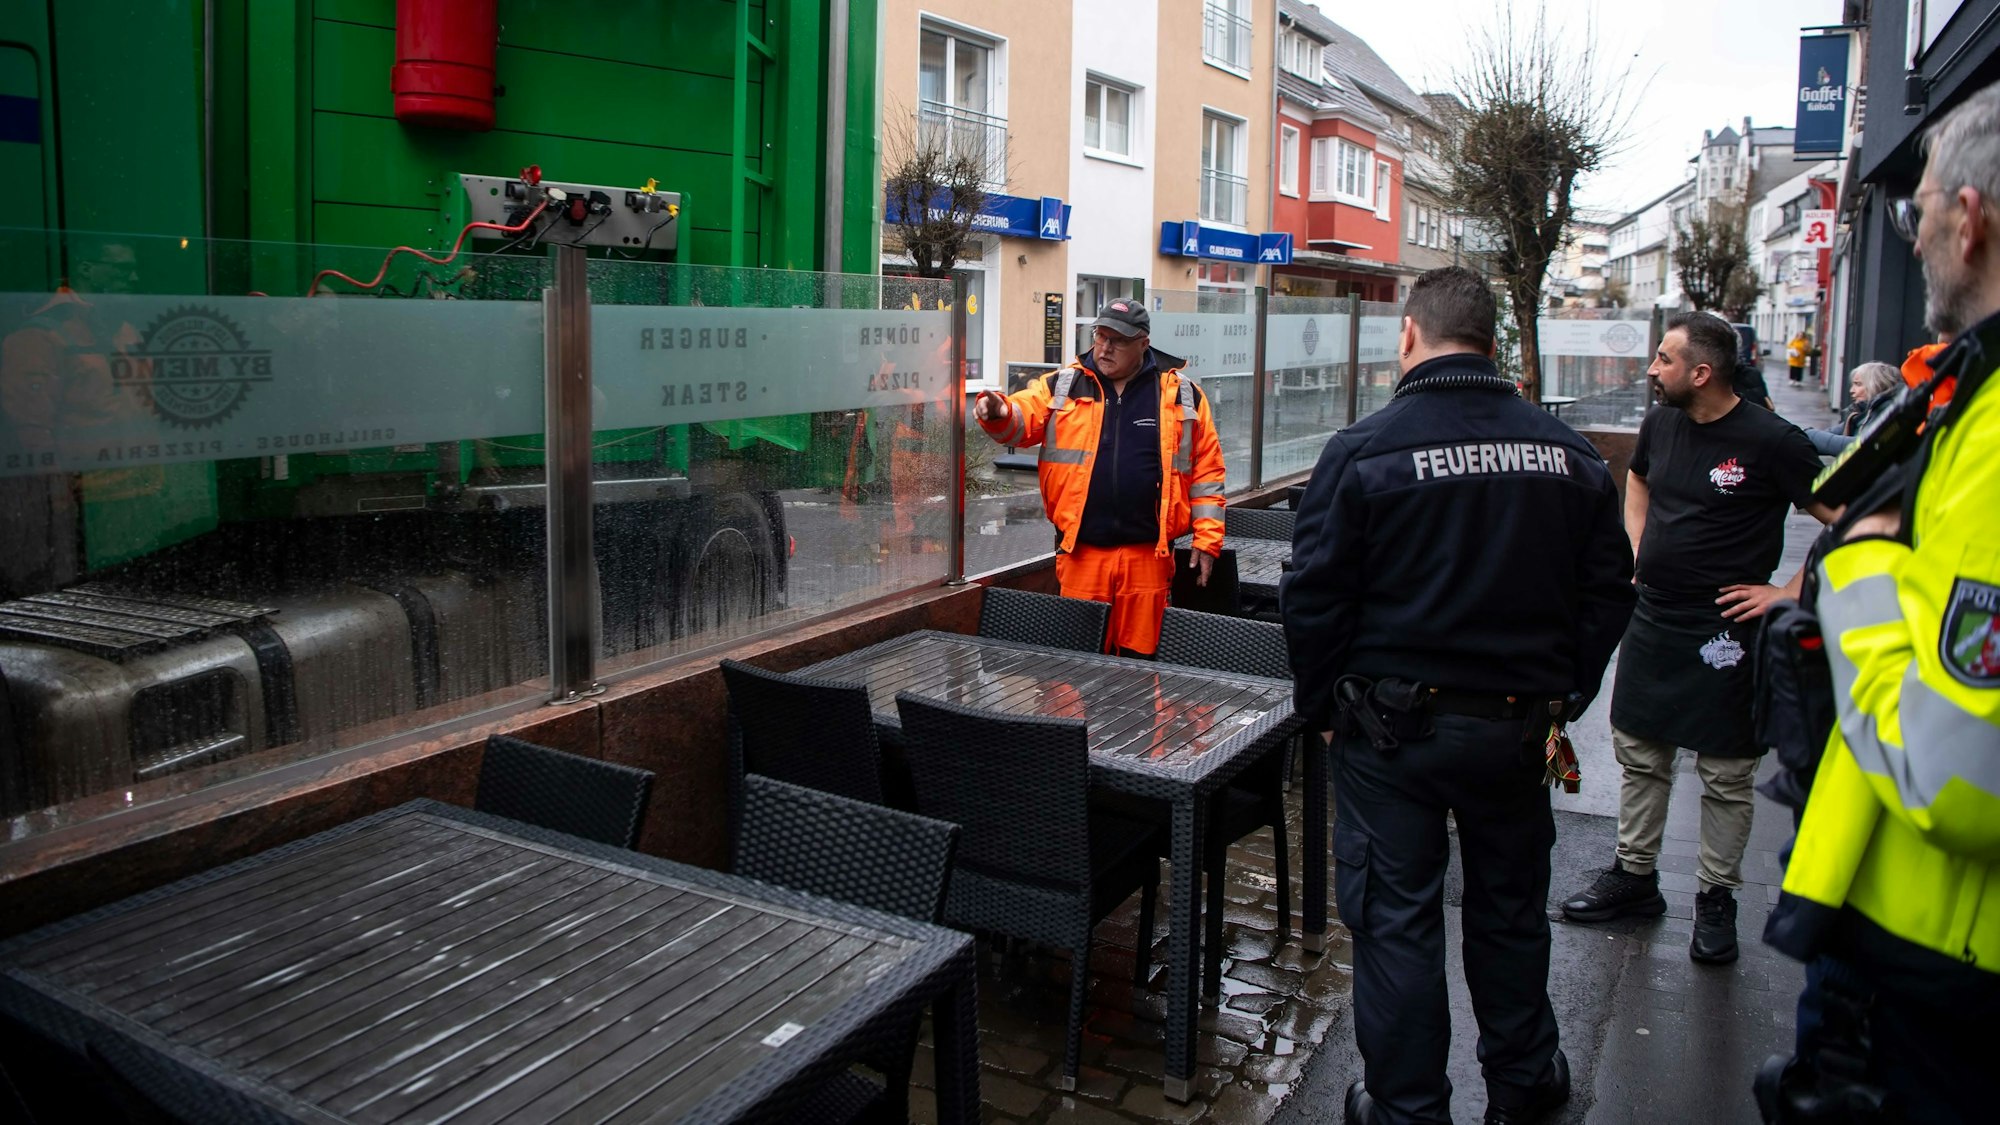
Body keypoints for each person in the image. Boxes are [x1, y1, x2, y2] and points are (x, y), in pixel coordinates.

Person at [1281, 267, 1635, 1125]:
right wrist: (1564, 696)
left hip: (1390, 737)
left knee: (1398, 921)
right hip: (1516, 733)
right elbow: (1610, 590)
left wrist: (1325, 710)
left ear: (1409, 334)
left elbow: (1314, 597)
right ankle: (1522, 1080)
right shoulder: (1569, 453)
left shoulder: (1364, 450)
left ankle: (1407, 1108)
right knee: (1510, 907)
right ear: (1492, 343)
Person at [1760, 81, 2000, 1123]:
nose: (1909, 240)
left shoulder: (1990, 434)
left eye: (1916, 213)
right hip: (1901, 948)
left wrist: (1853, 570)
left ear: (1968, 216)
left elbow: (1959, 781)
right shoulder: (1966, 397)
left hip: (1944, 976)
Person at [1560, 311, 1834, 963]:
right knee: (1641, 753)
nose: (1652, 370)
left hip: (1730, 629)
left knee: (1726, 772)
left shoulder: (1774, 440)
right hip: (1656, 616)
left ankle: (1716, 899)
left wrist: (1788, 592)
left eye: (1663, 359)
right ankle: (1634, 877)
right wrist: (1636, 546)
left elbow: (1849, 518)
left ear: (1701, 372)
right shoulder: (1661, 424)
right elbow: (1640, 479)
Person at [971, 298, 1226, 656]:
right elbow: (1020, 420)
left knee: (1143, 666)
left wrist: (1207, 540)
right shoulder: (1064, 386)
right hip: (1082, 555)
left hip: (1148, 559)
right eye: (1100, 336)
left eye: (1117, 340)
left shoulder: (1181, 395)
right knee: (1076, 673)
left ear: (1143, 343)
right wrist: (997, 411)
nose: (1104, 347)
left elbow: (1207, 472)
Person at [1801, 361, 1903, 455]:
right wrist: (1801, 437)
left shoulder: (1887, 413)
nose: (1851, 390)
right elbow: (1831, 433)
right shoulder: (1861, 414)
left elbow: (1859, 445)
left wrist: (1809, 435)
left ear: (1877, 385)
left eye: (1858, 384)